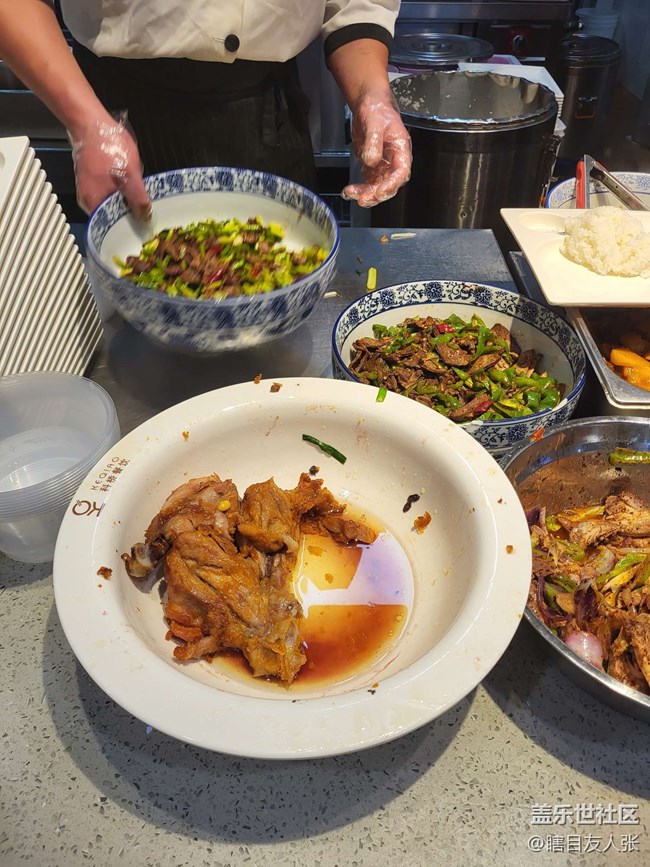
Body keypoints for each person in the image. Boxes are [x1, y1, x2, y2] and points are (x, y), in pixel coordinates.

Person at [0, 1, 412, 221]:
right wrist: (88, 125)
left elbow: (357, 5)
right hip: (116, 119)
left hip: (267, 119)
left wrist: (371, 94)